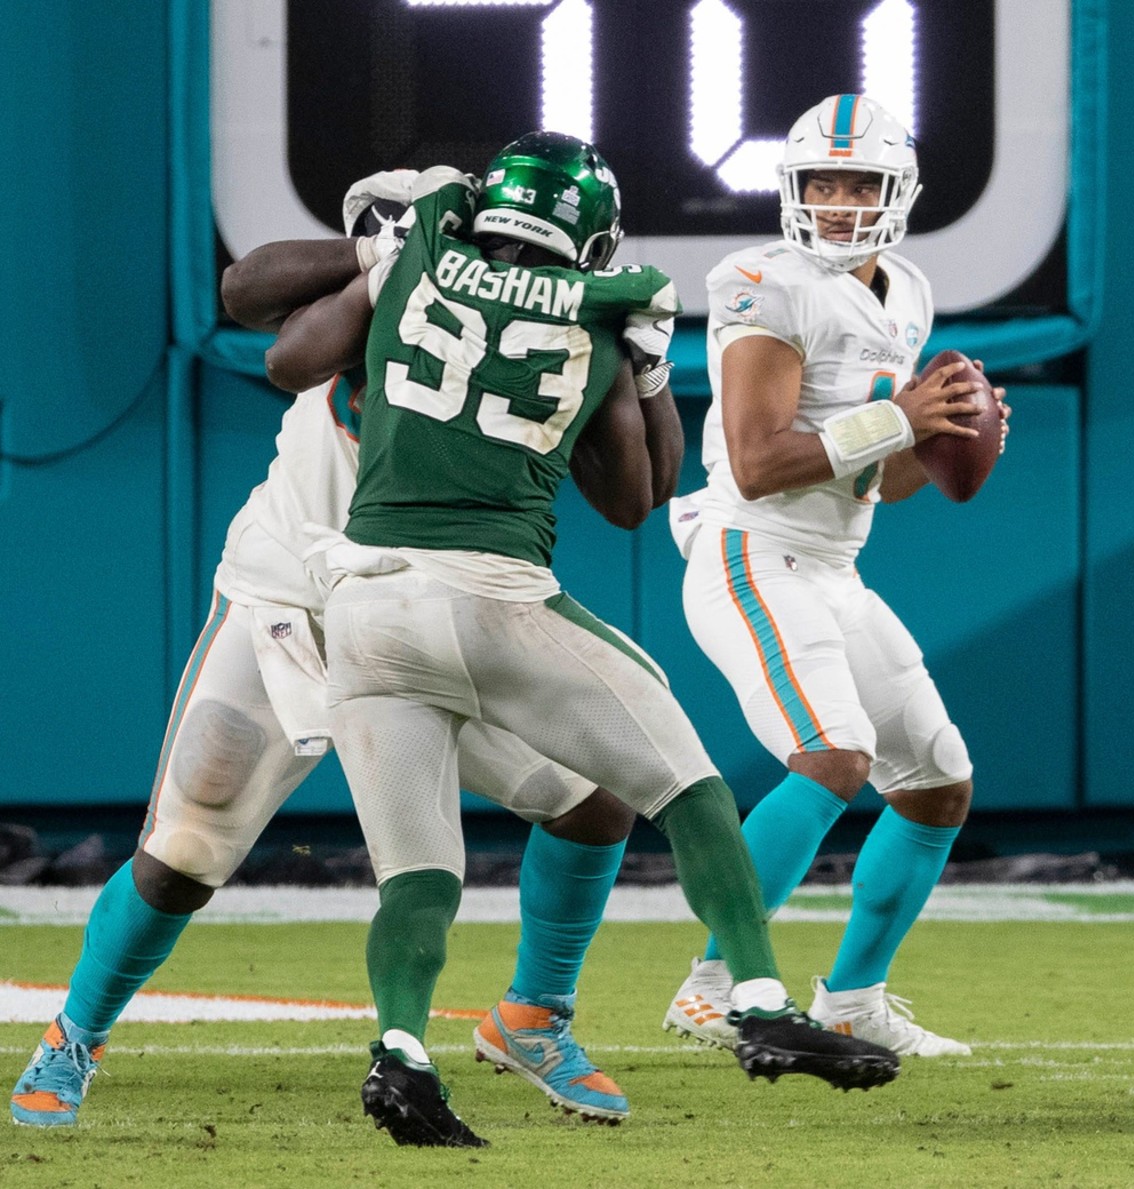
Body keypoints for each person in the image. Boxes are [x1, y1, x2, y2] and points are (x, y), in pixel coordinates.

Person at [264, 131, 902, 1149]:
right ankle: (756, 997)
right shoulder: (608, 308)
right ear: (590, 236)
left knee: (418, 871)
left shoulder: (419, 250)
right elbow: (639, 495)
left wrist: (386, 262)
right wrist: (646, 372)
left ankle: (402, 1048)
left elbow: (278, 352)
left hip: (363, 603)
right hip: (491, 592)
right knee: (687, 788)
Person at [9, 172, 637, 1132]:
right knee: (183, 853)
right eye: (504, 244)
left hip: (432, 616)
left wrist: (634, 362)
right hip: (293, 607)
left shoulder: (553, 336)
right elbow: (256, 304)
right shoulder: (398, 272)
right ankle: (73, 1036)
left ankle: (533, 1015)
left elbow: (631, 490)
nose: (514, 265)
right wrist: (384, 255)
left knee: (595, 798)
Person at [662, 94, 1010, 1058]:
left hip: (833, 566)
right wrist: (905, 416)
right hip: (750, 552)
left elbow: (884, 483)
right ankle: (717, 983)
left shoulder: (907, 289)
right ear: (793, 188)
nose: (840, 201)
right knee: (833, 755)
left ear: (899, 192)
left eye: (861, 182)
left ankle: (853, 996)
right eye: (823, 181)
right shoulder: (760, 278)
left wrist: (943, 437)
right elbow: (761, 458)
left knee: (938, 782)